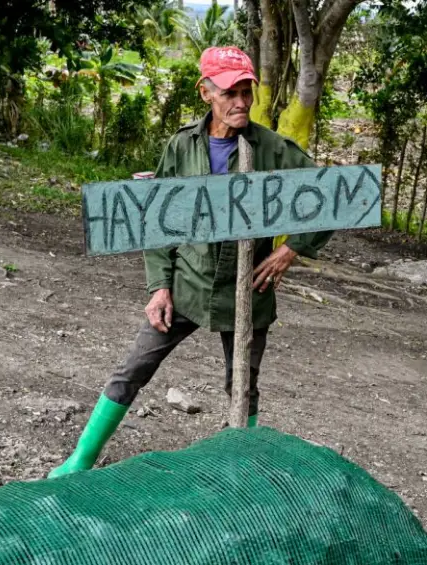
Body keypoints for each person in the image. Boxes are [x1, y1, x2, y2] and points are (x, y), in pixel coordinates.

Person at [48, 46, 332, 477]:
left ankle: (236, 472)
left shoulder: (273, 149)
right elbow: (158, 222)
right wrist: (158, 286)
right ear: (205, 93)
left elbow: (333, 195)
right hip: (187, 282)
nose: (240, 102)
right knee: (133, 367)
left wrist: (291, 249)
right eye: (229, 92)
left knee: (243, 386)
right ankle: (80, 458)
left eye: (246, 92)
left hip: (246, 287)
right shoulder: (181, 147)